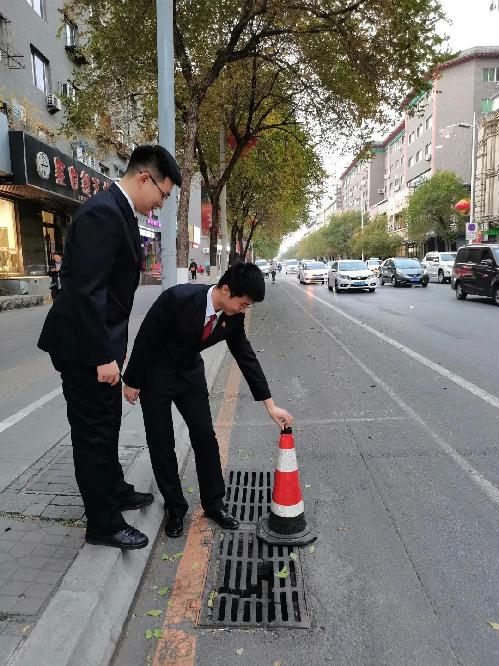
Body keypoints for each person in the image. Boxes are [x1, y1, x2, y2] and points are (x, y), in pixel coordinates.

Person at [38, 145, 182, 550]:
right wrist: (103, 355)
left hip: (100, 344)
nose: (160, 204)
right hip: (86, 350)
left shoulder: (118, 211)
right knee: (93, 436)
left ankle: (114, 490)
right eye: (163, 195)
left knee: (108, 425)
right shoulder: (102, 213)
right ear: (144, 178)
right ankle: (102, 523)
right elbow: (86, 292)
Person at [122, 262, 293, 539]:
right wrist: (133, 381)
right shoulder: (177, 298)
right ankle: (175, 507)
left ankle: (214, 504)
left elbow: (245, 356)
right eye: (243, 303)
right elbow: (146, 337)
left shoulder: (232, 317)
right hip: (156, 374)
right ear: (225, 290)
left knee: (204, 436)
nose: (244, 310)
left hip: (189, 374)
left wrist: (270, 405)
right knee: (161, 442)